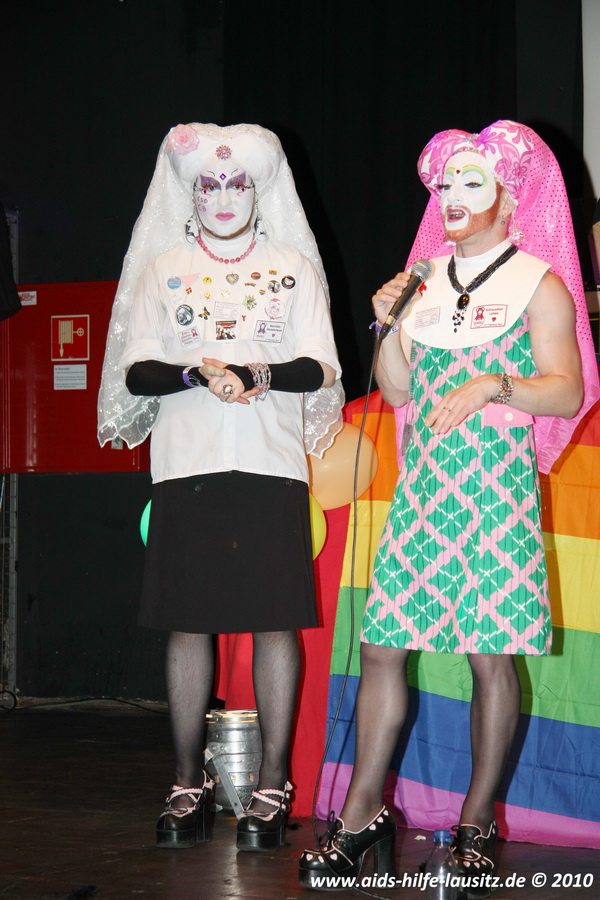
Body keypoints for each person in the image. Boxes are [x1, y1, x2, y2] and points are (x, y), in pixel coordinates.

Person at [299, 120, 599, 896]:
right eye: (445, 184)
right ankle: (362, 816)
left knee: (489, 657)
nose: (453, 196)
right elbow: (397, 390)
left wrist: (495, 385)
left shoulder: (538, 283)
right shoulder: (422, 279)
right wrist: (393, 325)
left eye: (472, 182)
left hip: (496, 493)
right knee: (381, 647)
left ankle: (474, 823)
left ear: (510, 195)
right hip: (424, 492)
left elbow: (568, 390)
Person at [98, 122, 343, 851]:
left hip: (271, 464)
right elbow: (135, 371)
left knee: (275, 622)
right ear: (192, 193)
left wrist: (256, 373)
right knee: (188, 622)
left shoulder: (293, 267)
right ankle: (186, 782)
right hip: (187, 464)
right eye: (211, 184)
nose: (226, 196)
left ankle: (272, 784)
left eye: (239, 183)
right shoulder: (162, 269)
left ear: (260, 190)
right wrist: (195, 373)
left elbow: (320, 365)